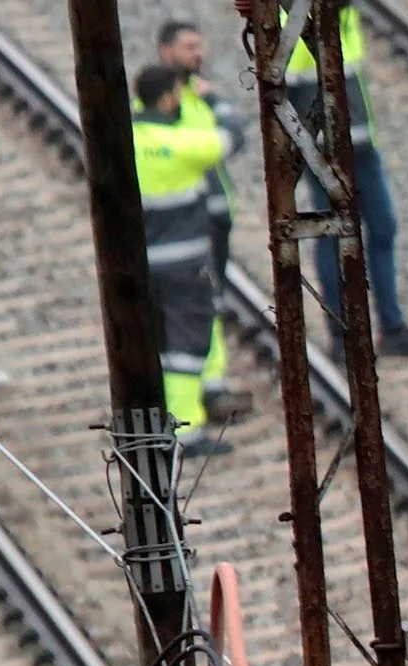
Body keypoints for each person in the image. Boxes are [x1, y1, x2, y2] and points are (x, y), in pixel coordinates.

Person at [282, 6, 408, 358]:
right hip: (324, 148)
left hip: (361, 143)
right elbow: (284, 87)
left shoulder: (345, 13)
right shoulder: (290, 17)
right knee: (332, 231)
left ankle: (391, 326)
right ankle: (342, 334)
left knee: (382, 227)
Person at [128, 64, 228, 445]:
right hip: (185, 264)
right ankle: (186, 431)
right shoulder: (181, 143)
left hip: (142, 264)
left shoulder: (125, 139)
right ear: (170, 98)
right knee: (187, 346)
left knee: (158, 344)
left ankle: (155, 423)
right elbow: (229, 137)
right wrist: (213, 100)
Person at [151, 22, 247, 421]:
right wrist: (217, 106)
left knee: (214, 299)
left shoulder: (195, 95)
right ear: (166, 51)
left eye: (199, 46)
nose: (198, 54)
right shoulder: (165, 100)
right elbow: (224, 140)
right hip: (187, 223)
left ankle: (212, 383)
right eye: (189, 46)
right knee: (200, 303)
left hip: (213, 214)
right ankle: (201, 394)